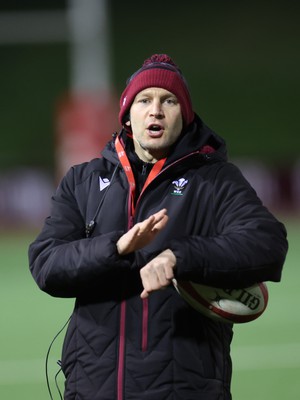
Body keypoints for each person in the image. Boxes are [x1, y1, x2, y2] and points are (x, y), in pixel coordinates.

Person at [29, 54, 288, 400]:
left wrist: (179, 256)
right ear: (127, 115)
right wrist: (116, 248)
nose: (156, 110)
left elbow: (268, 245)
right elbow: (47, 264)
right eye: (144, 100)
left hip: (184, 388)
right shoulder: (84, 180)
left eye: (169, 101)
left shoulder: (214, 181)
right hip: (92, 387)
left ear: (185, 115)